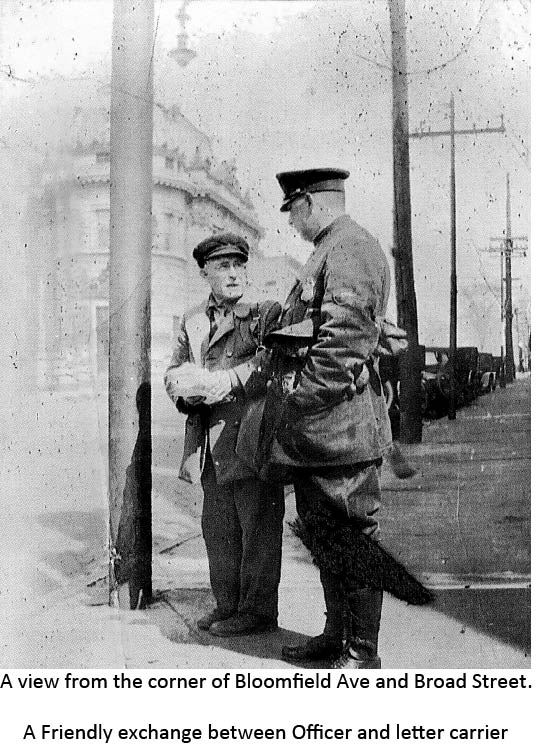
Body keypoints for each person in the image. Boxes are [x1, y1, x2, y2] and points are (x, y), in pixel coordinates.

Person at [270, 168, 398, 668]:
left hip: (339, 427)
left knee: (353, 534)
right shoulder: (333, 245)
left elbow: (342, 344)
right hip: (325, 430)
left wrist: (297, 400)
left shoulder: (348, 248)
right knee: (326, 534)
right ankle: (337, 634)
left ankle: (362, 652)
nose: (291, 223)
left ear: (309, 202)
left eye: (292, 211)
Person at [164, 233, 284, 637]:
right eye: (223, 267)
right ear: (205, 272)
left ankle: (257, 611)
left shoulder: (265, 312)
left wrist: (228, 381)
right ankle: (227, 606)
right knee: (218, 530)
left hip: (251, 438)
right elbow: (175, 368)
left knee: (258, 531)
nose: (233, 274)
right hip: (210, 444)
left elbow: (274, 364)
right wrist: (182, 387)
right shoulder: (194, 318)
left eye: (238, 265)